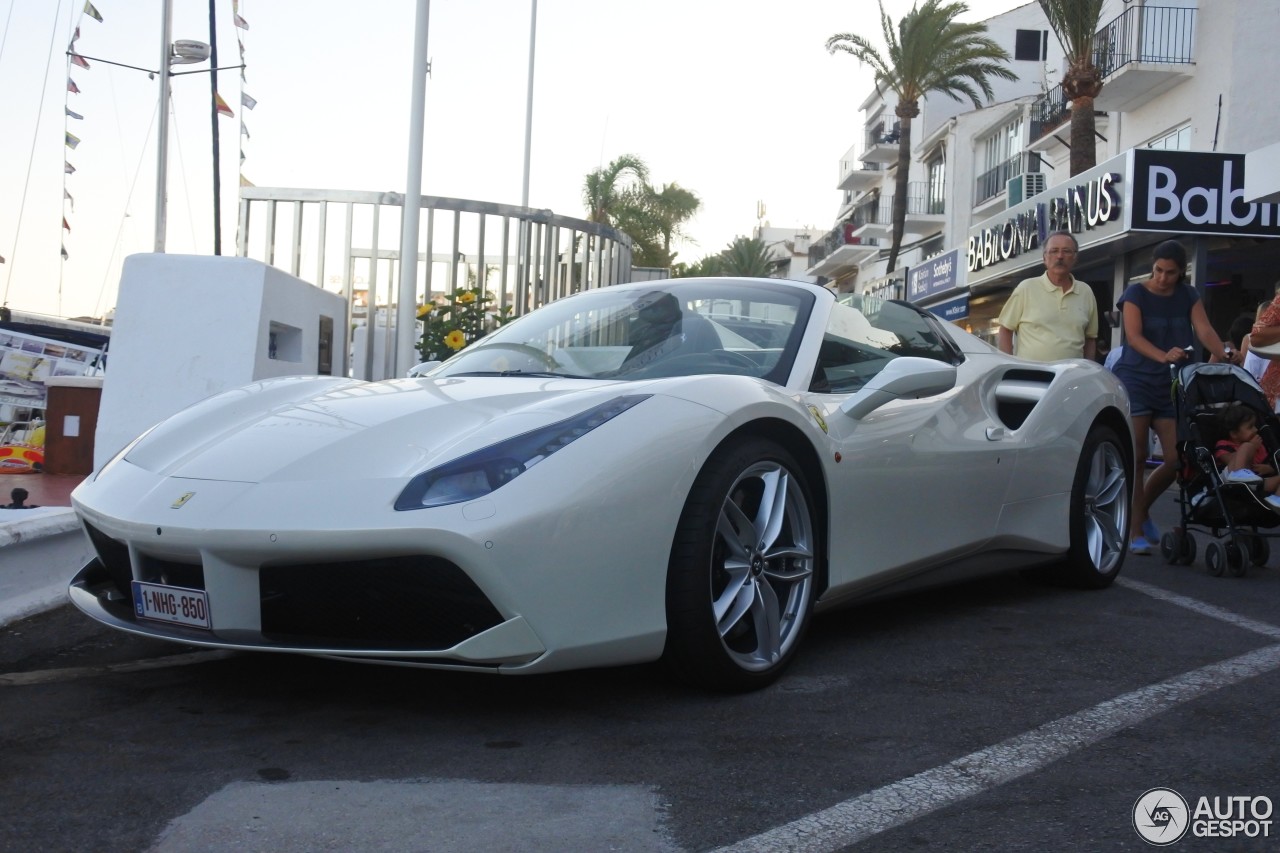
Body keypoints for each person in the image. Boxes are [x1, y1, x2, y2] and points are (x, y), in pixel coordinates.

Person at [1111, 239, 1240, 554]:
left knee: (1175, 458)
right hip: (1138, 378)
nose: (1162, 277)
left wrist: (1223, 352)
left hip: (1173, 382)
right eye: (1158, 270)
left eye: (1170, 272)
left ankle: (1139, 512)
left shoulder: (1188, 294)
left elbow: (1205, 329)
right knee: (1138, 456)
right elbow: (1134, 336)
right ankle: (1134, 529)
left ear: (1181, 273)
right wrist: (1162, 355)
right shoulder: (1136, 293)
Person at [997, 231, 1099, 362]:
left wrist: (1087, 370)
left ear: (1075, 257)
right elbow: (1005, 329)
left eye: (1066, 251)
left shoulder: (1086, 292)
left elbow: (1090, 338)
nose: (1060, 256)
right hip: (1033, 376)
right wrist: (1010, 365)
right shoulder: (1026, 288)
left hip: (1071, 377)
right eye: (1054, 251)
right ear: (1044, 258)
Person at [1214, 404, 1280, 509]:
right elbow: (1229, 460)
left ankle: (1277, 500)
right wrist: (1252, 447)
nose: (1255, 430)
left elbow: (1265, 461)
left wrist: (1270, 469)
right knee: (1246, 446)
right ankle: (1239, 473)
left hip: (1255, 483)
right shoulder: (1224, 445)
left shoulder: (1259, 445)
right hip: (1230, 481)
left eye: (1254, 425)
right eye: (1250, 427)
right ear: (1234, 434)